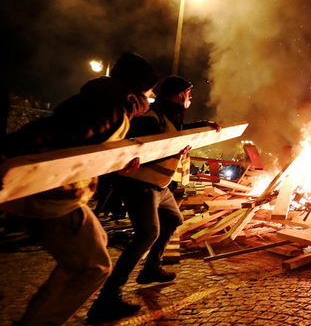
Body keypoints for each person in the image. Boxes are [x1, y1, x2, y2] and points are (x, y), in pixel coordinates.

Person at [0, 52, 158, 326]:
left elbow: (86, 151)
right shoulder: (109, 107)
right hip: (50, 197)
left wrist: (117, 163)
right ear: (138, 87)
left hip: (67, 195)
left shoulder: (108, 102)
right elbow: (55, 131)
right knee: (95, 267)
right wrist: (8, 151)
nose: (152, 93)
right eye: (150, 87)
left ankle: (35, 318)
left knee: (96, 247)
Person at [87, 75, 220, 323]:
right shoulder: (151, 117)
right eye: (189, 92)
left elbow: (177, 134)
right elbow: (137, 149)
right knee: (148, 233)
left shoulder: (170, 117)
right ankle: (107, 298)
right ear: (181, 93)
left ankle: (151, 269)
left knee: (173, 219)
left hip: (160, 186)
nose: (191, 96)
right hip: (140, 185)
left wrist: (206, 125)